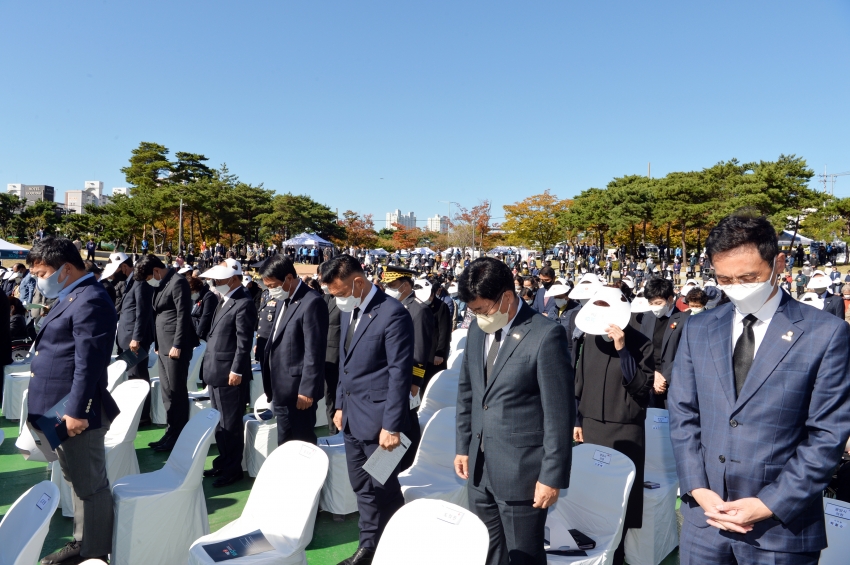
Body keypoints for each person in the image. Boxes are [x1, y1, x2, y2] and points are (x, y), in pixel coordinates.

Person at [669, 212, 850, 564]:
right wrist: (697, 487)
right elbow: (683, 414)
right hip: (705, 520)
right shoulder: (699, 328)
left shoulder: (824, 333)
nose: (737, 287)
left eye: (749, 277)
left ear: (778, 263)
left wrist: (770, 502)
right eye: (725, 279)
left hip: (781, 527)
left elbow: (827, 434)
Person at [455, 257, 573, 565]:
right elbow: (468, 392)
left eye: (482, 309)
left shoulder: (545, 335)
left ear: (507, 297)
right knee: (487, 551)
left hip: (522, 473)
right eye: (473, 311)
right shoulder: (478, 331)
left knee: (523, 555)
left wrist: (551, 476)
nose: (477, 316)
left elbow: (559, 414)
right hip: (479, 468)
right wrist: (463, 447)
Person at [25, 237, 119, 565]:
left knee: (90, 485)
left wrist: (76, 412)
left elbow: (88, 363)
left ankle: (94, 552)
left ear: (65, 269)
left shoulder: (90, 299)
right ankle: (85, 542)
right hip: (57, 411)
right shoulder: (74, 295)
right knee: (76, 480)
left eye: (41, 272)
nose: (38, 279)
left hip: (73, 413)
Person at [323, 255, 414, 565]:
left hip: (380, 425)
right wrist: (339, 405)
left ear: (358, 283)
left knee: (385, 490)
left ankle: (394, 551)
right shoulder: (352, 311)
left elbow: (399, 375)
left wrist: (391, 426)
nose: (337, 300)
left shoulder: (393, 314)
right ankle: (368, 548)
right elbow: (345, 365)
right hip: (351, 418)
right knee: (362, 487)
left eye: (339, 293)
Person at [574, 285, 654, 565]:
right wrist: (578, 419)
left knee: (620, 500)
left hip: (625, 430)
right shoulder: (591, 337)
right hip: (592, 426)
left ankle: (617, 556)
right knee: (590, 495)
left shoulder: (642, 342)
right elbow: (579, 382)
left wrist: (622, 350)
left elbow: (642, 389)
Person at [199, 263, 257, 487]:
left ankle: (232, 469)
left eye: (220, 280)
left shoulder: (243, 302)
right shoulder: (226, 299)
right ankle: (224, 461)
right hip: (216, 370)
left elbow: (244, 342)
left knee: (230, 424)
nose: (215, 284)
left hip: (229, 373)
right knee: (220, 422)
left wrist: (236, 370)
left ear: (233, 279)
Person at [260, 254, 328, 445]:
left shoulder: (311, 302)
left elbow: (314, 351)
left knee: (301, 443)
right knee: (285, 442)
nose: (271, 290)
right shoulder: (284, 298)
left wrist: (307, 390)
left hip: (298, 392)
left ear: (289, 278)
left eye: (273, 285)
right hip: (281, 388)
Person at [135, 254, 199, 452]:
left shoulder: (177, 281)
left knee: (176, 391)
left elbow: (182, 315)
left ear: (156, 270)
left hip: (174, 346)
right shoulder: (163, 283)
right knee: (166, 391)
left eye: (148, 278)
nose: (149, 282)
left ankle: (178, 434)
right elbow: (158, 314)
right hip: (163, 344)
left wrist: (178, 344)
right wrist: (157, 342)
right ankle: (171, 431)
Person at [382, 266, 433, 471]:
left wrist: (415, 381)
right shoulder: (392, 306)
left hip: (408, 376)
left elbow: (420, 350)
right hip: (391, 375)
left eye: (393, 286)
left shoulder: (418, 309)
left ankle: (409, 463)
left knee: (407, 422)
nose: (389, 289)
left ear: (405, 285)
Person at [107, 253, 155, 425]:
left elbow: (142, 313)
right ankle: (138, 413)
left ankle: (142, 415)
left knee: (138, 377)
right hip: (127, 338)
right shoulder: (129, 283)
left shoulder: (140, 283)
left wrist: (136, 338)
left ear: (124, 267)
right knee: (133, 376)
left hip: (135, 340)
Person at [639, 277, 689, 409]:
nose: (654, 307)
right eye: (651, 303)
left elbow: (684, 354)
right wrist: (653, 374)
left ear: (670, 299)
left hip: (673, 382)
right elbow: (642, 348)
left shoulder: (685, 320)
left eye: (658, 302)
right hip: (650, 378)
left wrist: (664, 378)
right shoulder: (647, 317)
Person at [321, 275, 342, 435]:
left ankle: (338, 432)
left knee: (337, 397)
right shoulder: (323, 299)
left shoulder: (345, 302)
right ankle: (331, 430)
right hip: (323, 358)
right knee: (329, 397)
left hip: (338, 359)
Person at [188, 276, 217, 341]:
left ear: (195, 289)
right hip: (193, 328)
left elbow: (206, 317)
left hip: (204, 333)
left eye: (191, 292)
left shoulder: (209, 296)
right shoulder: (195, 297)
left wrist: (198, 334)